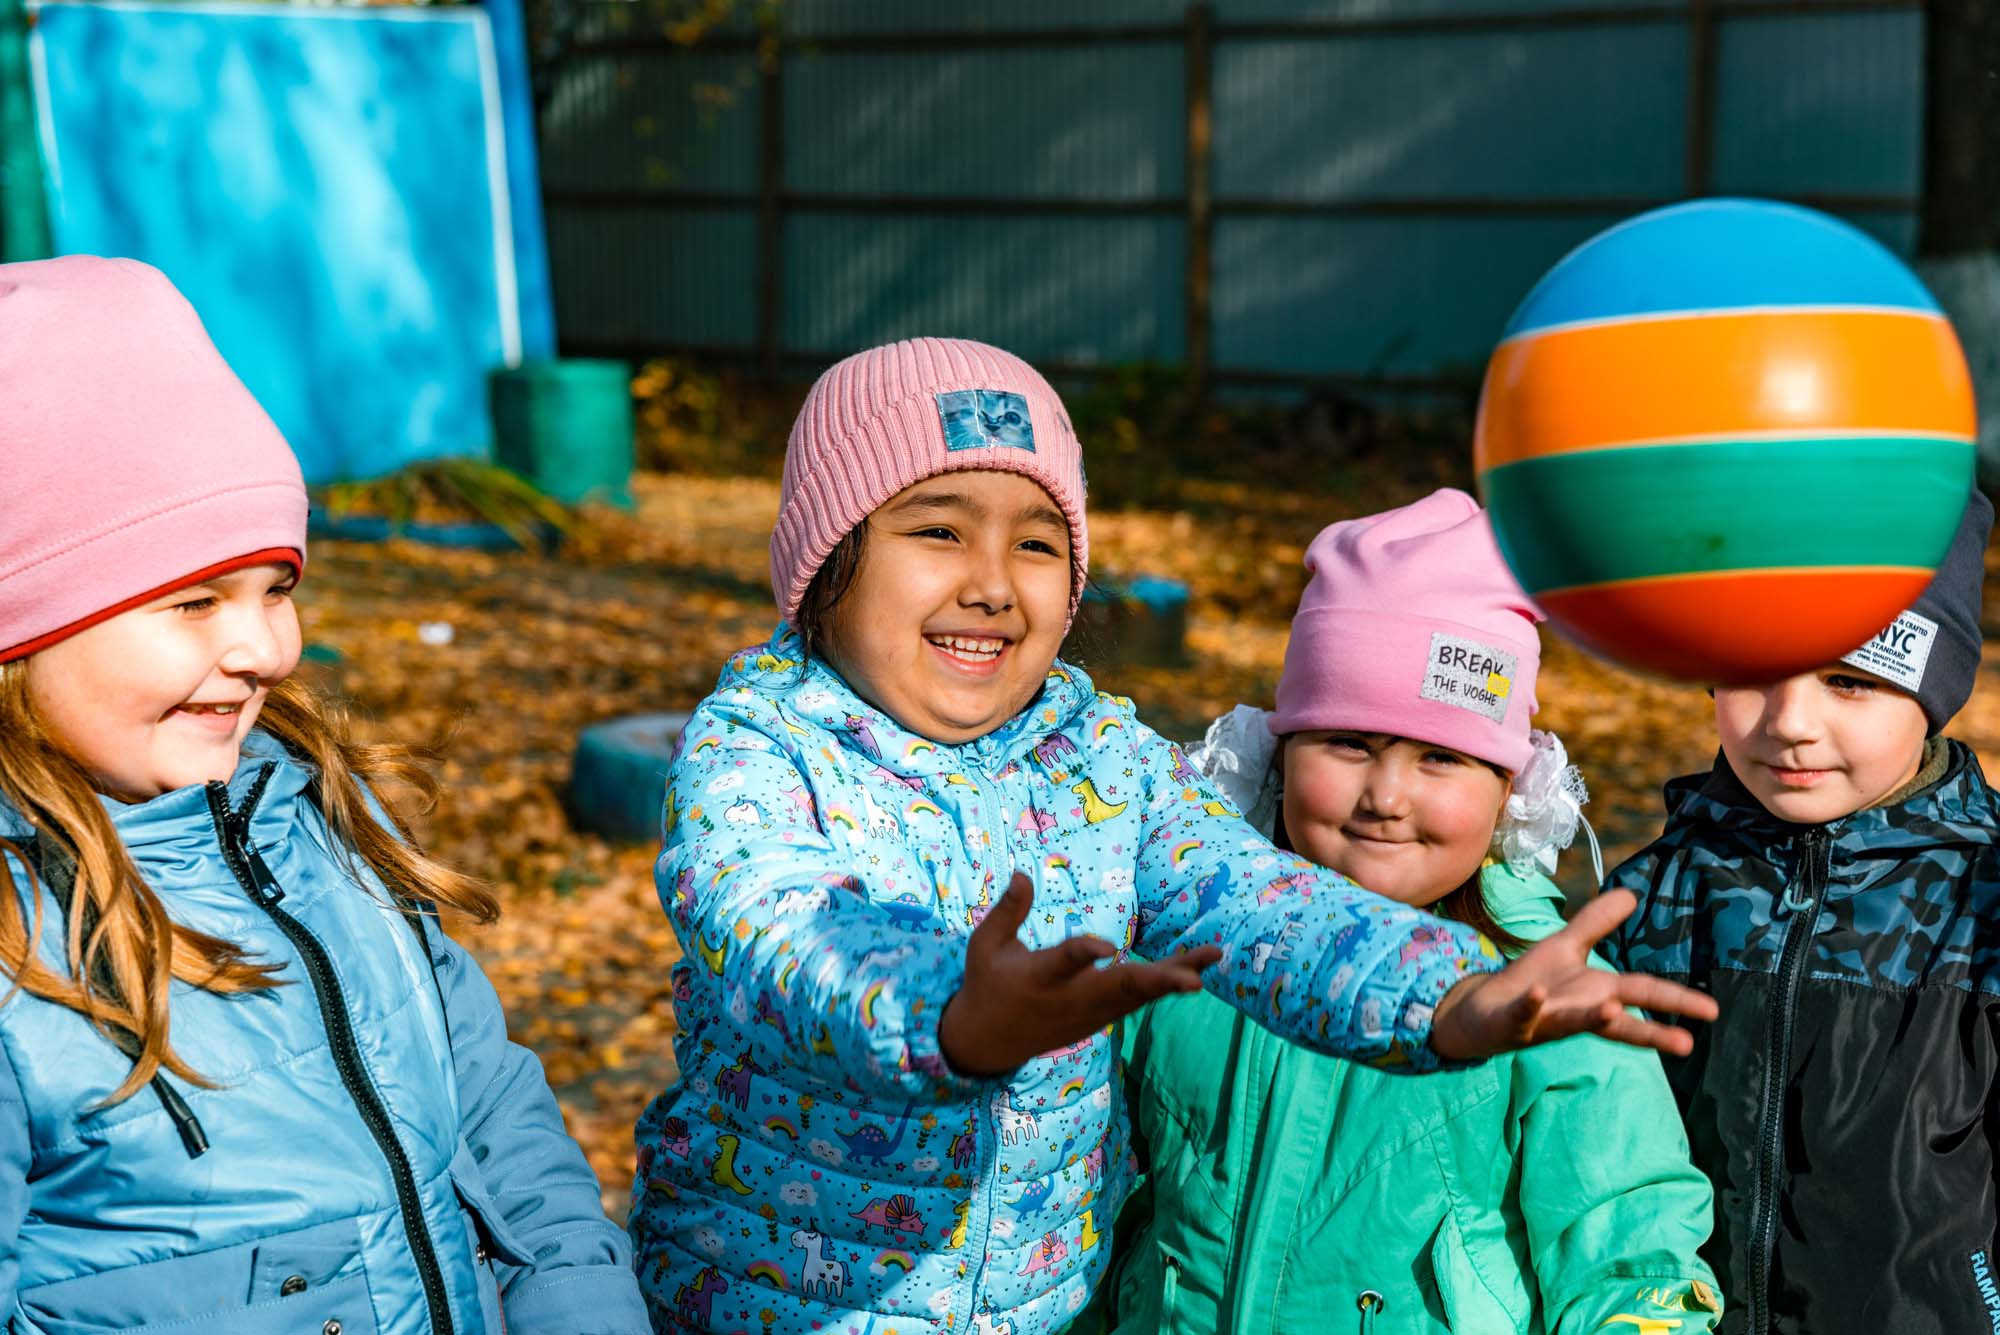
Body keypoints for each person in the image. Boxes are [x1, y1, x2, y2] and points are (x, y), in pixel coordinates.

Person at [628, 338, 1715, 1333]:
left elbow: (1255, 898)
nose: (993, 584)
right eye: (939, 530)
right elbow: (779, 934)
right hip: (780, 1308)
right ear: (828, 558)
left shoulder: (1103, 760)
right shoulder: (758, 751)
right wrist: (952, 1015)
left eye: (1036, 543)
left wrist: (1441, 996)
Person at [0, 255, 646, 1335]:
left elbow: (490, 1105)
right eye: (195, 601)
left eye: (277, 588)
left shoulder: (314, 819)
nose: (266, 648)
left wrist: (582, 1309)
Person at [1108, 489, 1720, 1334]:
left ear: (1507, 787)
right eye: (1348, 742)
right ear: (1282, 752)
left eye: (1439, 757)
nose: (1386, 796)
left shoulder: (1544, 997)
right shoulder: (1189, 950)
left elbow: (1631, 1251)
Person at [1608, 489, 1998, 1335]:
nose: (1790, 723)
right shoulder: (1657, 895)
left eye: (1848, 681)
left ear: (1932, 690)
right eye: (1755, 671)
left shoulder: (1982, 904)